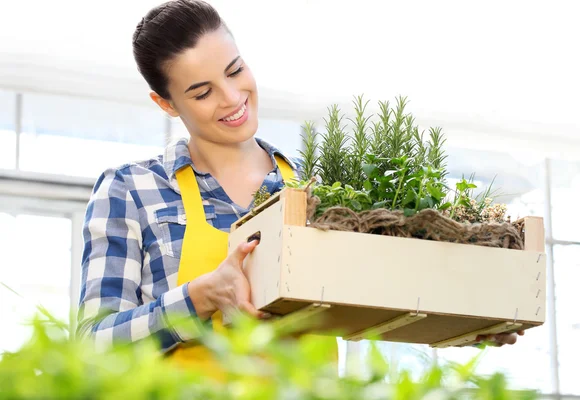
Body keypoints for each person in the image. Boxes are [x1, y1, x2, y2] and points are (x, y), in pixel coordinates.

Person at [77, 0, 520, 371]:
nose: (232, 98)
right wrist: (200, 296)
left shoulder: (322, 196)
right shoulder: (131, 190)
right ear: (166, 103)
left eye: (235, 70)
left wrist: (462, 325)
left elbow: (369, 308)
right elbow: (90, 346)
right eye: (202, 92)